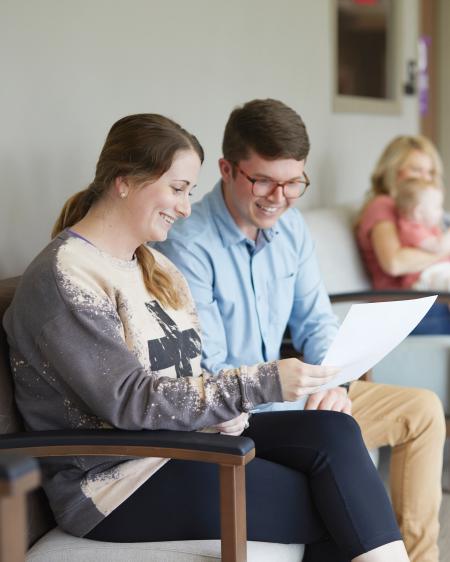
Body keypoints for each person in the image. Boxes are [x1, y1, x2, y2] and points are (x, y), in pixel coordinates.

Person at [2, 113, 409, 562]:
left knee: (334, 430)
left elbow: (192, 375)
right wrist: (259, 384)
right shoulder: (65, 277)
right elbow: (129, 400)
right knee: (332, 503)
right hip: (118, 480)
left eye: (189, 192)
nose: (186, 207)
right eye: (176, 189)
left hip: (183, 444)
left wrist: (222, 414)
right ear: (124, 181)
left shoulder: (155, 268)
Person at [156, 100, 446, 562]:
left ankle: (418, 557)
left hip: (307, 395)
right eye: (265, 180)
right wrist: (308, 396)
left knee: (423, 411)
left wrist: (335, 387)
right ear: (227, 169)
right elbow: (210, 369)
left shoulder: (291, 230)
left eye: (294, 183)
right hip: (244, 414)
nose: (279, 197)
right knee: (334, 436)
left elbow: (316, 323)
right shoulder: (189, 245)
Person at [356, 134, 450, 334]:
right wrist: (443, 250)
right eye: (416, 170)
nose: (425, 178)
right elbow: (394, 263)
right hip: (401, 306)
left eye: (430, 172)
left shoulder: (421, 211)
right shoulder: (383, 205)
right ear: (392, 171)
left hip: (427, 298)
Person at [394, 177, 450, 290]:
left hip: (439, 272)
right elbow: (438, 247)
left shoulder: (428, 227)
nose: (441, 211)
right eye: (437, 207)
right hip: (424, 278)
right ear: (418, 212)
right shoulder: (411, 229)